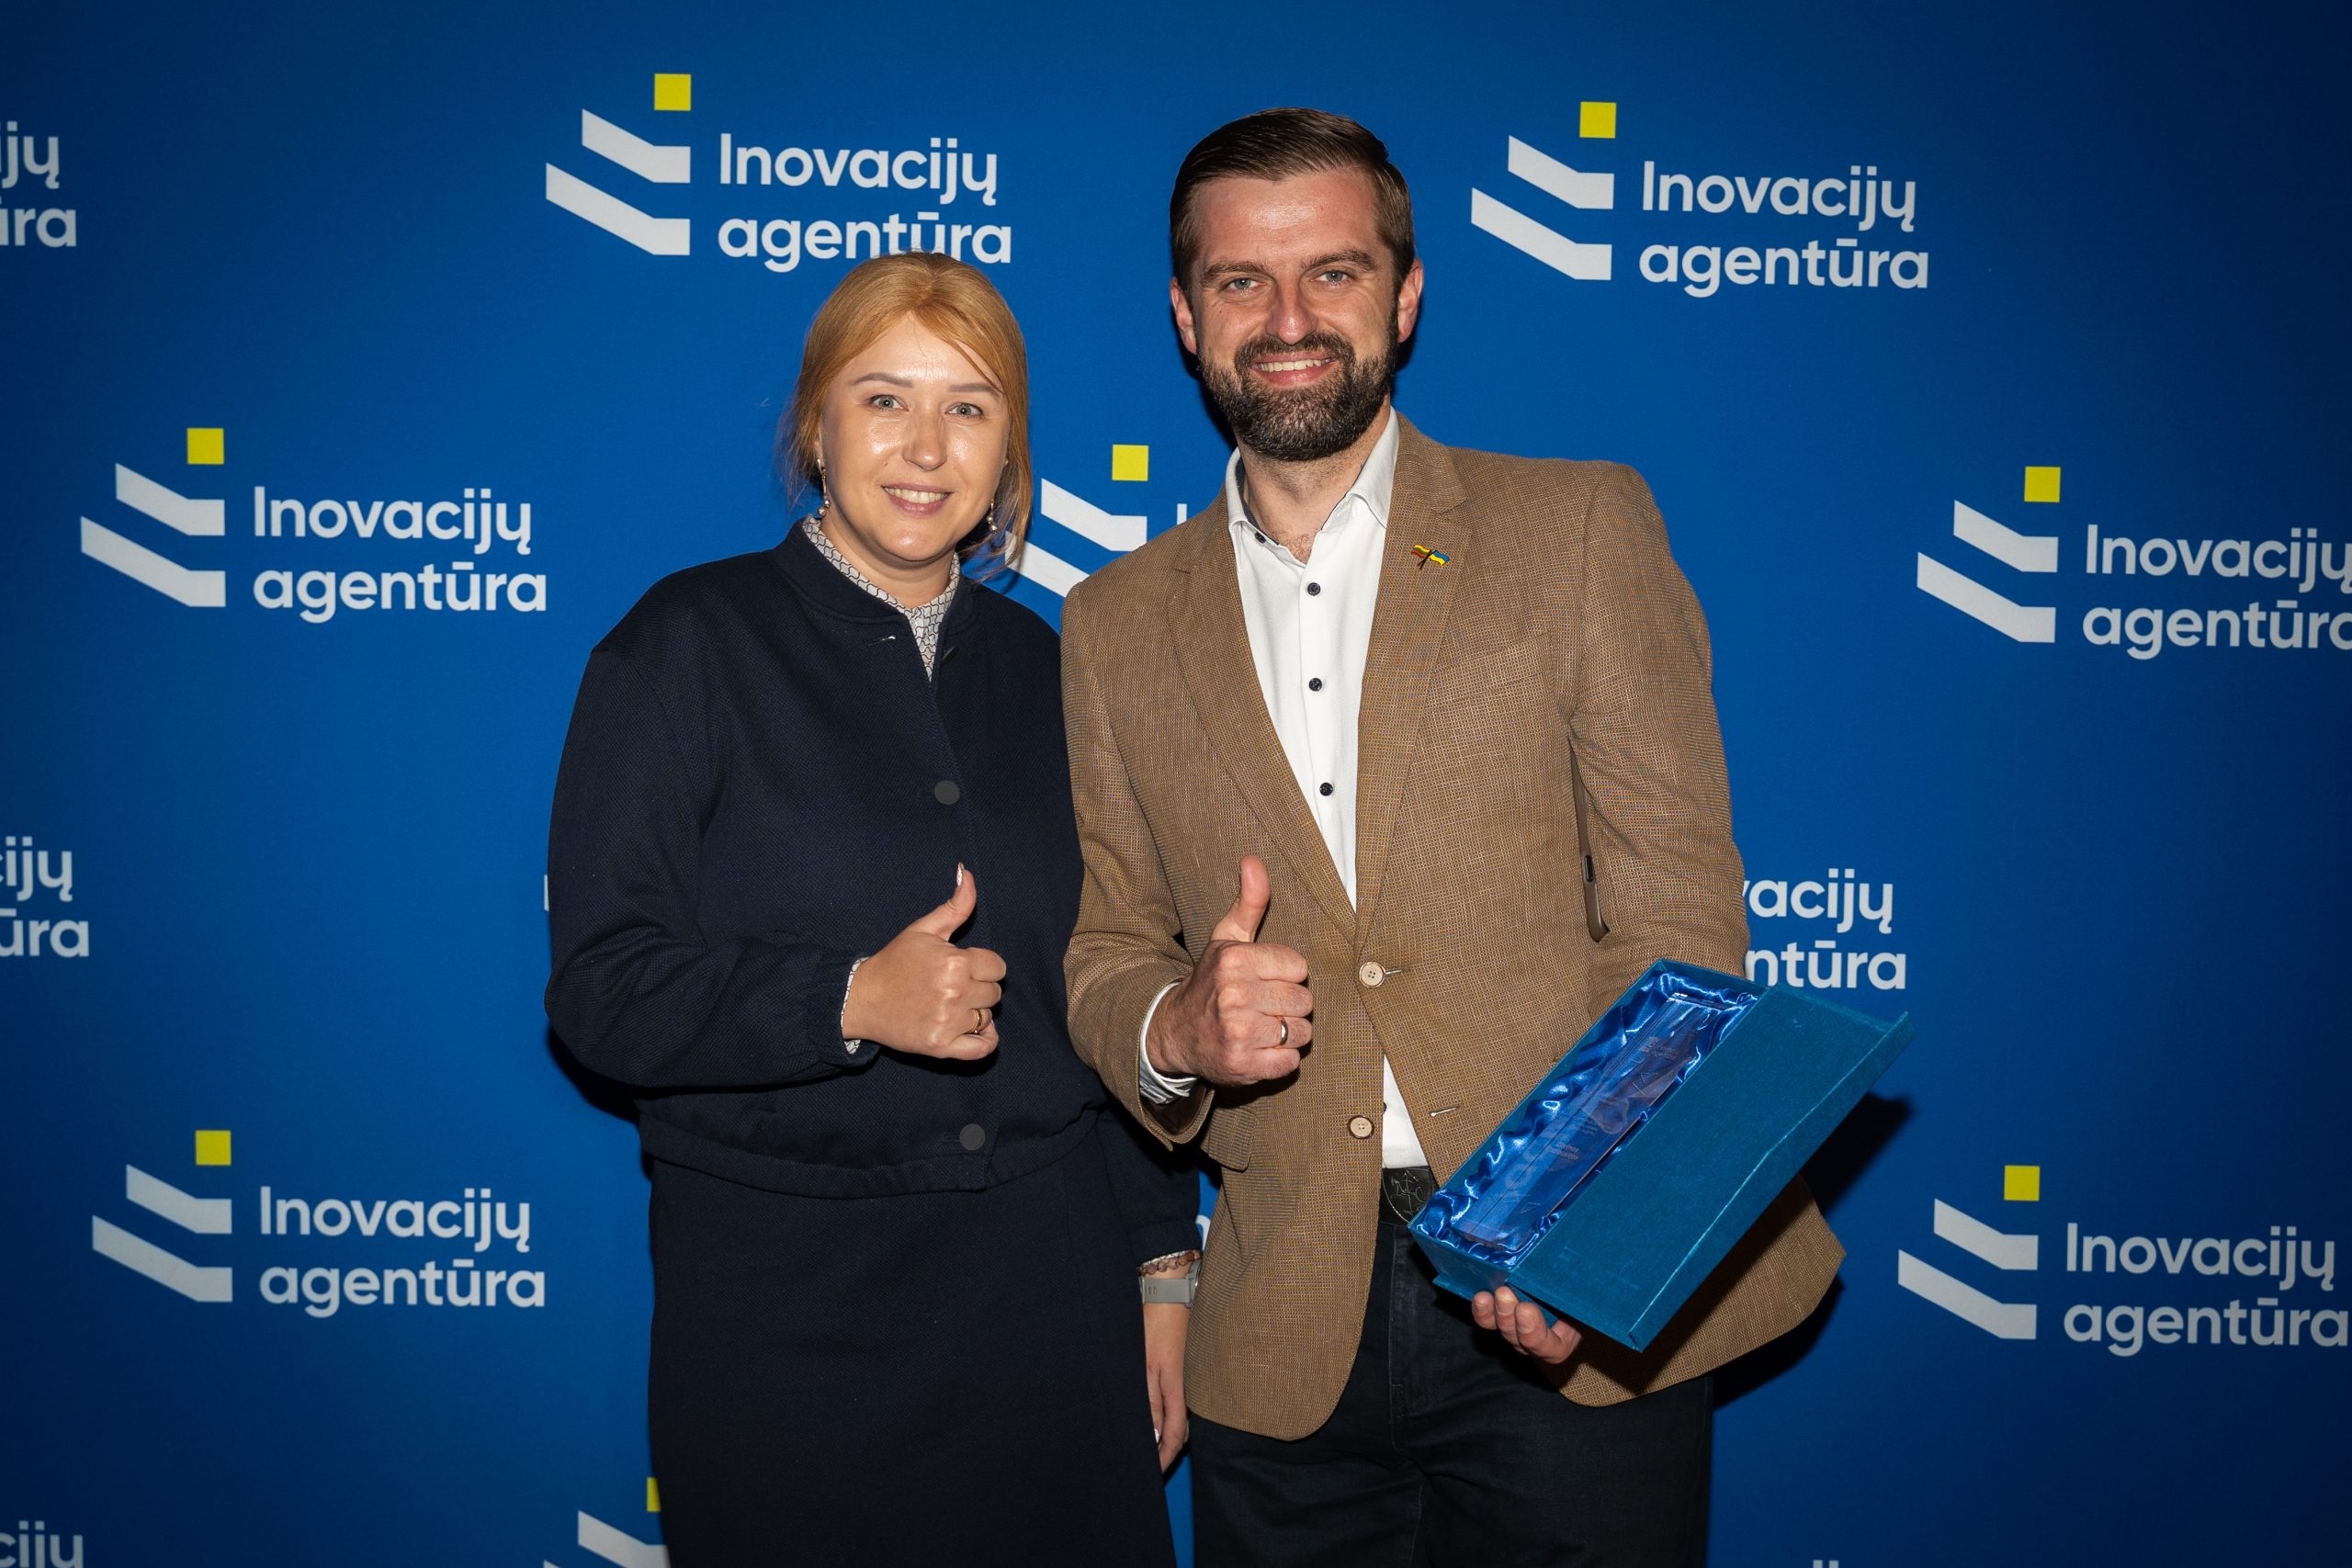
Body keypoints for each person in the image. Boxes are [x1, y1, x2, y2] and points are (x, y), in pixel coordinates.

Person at [1059, 109, 1846, 1566]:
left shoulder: (1576, 529)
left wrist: (1596, 1237)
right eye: (1241, 282)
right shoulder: (1112, 624)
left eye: (1335, 272)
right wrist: (1176, 1027)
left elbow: (1680, 917)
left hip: (1566, 1300)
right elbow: (1110, 942)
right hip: (1283, 1331)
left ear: (1406, 295)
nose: (1288, 321)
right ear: (1185, 316)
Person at [545, 252, 1200, 1567]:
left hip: (1051, 1304)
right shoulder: (684, 644)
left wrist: (1161, 1271)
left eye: (969, 407)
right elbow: (601, 990)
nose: (926, 447)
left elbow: (1110, 976)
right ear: (816, 425)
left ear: (1009, 451)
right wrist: (845, 999)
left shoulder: (1057, 671)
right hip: (792, 1325)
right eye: (884, 398)